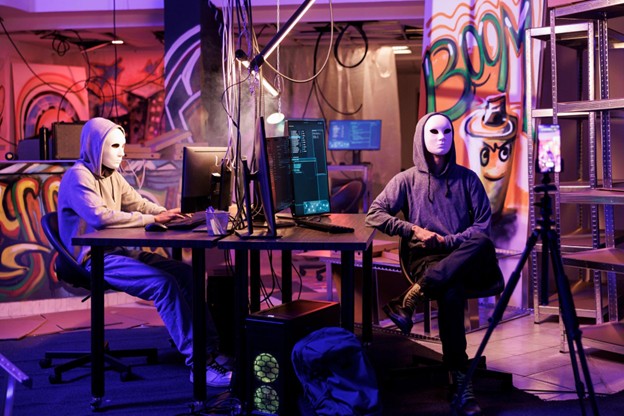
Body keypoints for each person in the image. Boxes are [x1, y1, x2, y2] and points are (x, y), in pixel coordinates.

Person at [57, 117, 232, 388]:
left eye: (123, 145)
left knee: (186, 273)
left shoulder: (111, 175)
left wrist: (165, 213)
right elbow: (99, 217)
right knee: (163, 284)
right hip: (93, 259)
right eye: (115, 146)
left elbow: (137, 203)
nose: (122, 152)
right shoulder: (78, 177)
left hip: (116, 251)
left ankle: (210, 349)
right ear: (95, 147)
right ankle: (199, 365)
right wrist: (151, 219)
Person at [365, 112, 504, 416]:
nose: (441, 138)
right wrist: (412, 230)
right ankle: (460, 379)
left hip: (463, 256)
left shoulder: (468, 179)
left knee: (481, 243)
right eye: (434, 132)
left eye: (446, 132)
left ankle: (412, 295)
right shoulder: (406, 180)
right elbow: (374, 214)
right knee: (451, 292)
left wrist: (448, 241)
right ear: (421, 137)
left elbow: (482, 227)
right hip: (425, 258)